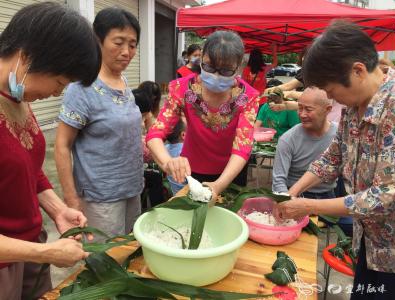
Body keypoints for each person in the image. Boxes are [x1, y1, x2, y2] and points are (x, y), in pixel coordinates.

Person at [274, 21, 395, 299]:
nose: (331, 99)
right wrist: (291, 192)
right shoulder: (354, 106)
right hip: (368, 241)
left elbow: (386, 196)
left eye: (331, 91)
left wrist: (309, 205)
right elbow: (333, 157)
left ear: (357, 71)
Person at [0, 2, 101, 299]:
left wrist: (58, 210)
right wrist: (45, 253)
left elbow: (27, 168)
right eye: (59, 82)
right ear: (27, 57)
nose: (56, 94)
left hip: (30, 250)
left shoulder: (15, 91)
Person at [55, 7, 143, 239]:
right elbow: (62, 145)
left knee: (128, 254)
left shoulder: (123, 81)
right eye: (118, 42)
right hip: (101, 198)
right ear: (98, 40)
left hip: (132, 189)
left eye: (132, 45)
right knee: (104, 261)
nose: (126, 52)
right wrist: (71, 199)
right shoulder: (82, 88)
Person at [146, 31, 259, 200]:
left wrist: (219, 185)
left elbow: (243, 146)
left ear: (239, 68)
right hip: (193, 169)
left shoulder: (247, 97)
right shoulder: (182, 89)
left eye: (225, 71)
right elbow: (155, 133)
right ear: (201, 60)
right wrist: (167, 162)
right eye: (209, 67)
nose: (215, 75)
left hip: (231, 172)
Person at [272, 87, 352, 235]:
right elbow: (278, 181)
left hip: (327, 196)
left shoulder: (340, 135)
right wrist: (285, 201)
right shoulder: (288, 140)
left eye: (308, 109)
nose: (302, 114)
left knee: (352, 225)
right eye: (299, 107)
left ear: (328, 109)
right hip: (296, 196)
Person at [165, 118, 186, 195]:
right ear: (183, 135)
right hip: (189, 196)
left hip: (175, 194)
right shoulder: (186, 152)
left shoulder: (165, 149)